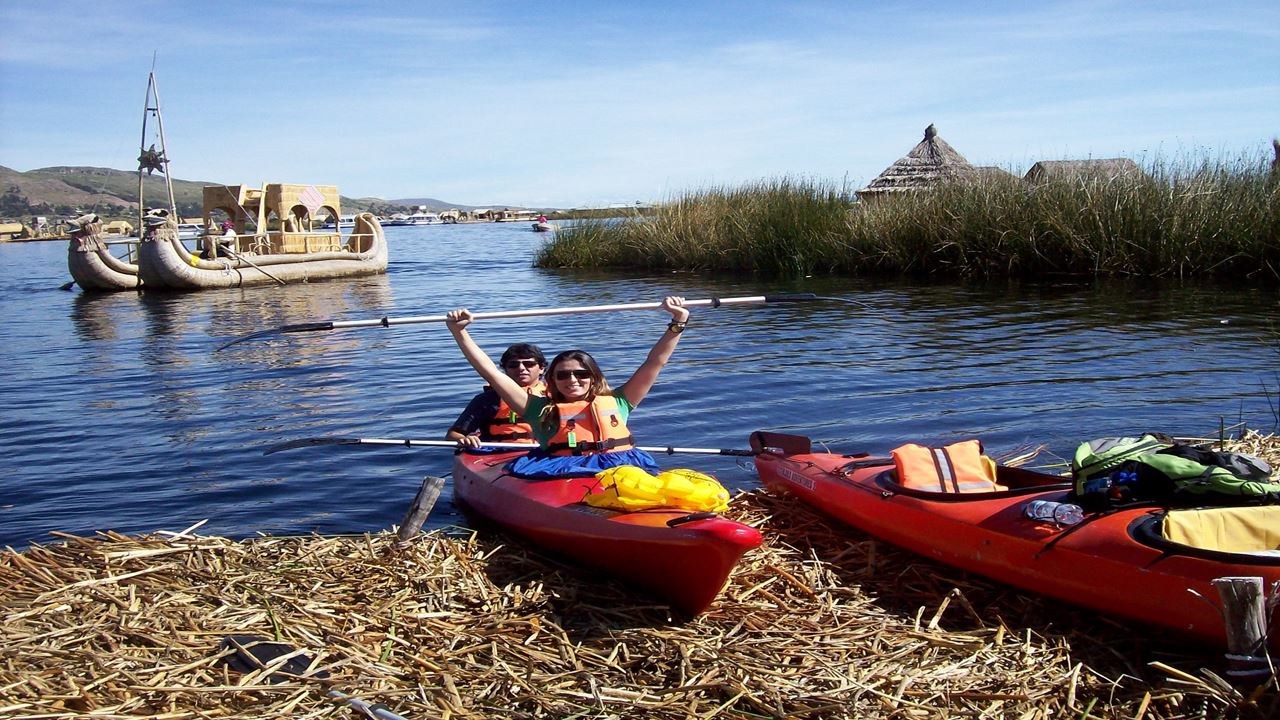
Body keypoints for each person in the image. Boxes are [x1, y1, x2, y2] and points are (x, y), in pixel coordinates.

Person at [445, 297, 690, 477]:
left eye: (581, 373)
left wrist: (678, 321)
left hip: (624, 466)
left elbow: (655, 362)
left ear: (593, 377)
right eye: (563, 375)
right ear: (552, 379)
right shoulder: (537, 409)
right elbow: (490, 371)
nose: (572, 380)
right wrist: (460, 333)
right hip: (562, 469)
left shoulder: (620, 401)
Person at [445, 343, 547, 449]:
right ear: (505, 369)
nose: (521, 368)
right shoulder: (488, 399)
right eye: (513, 365)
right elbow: (453, 434)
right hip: (499, 454)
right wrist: (464, 439)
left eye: (529, 364)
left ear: (541, 368)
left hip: (546, 454)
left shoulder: (557, 395)